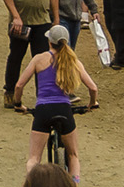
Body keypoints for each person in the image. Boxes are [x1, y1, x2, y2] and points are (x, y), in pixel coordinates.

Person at [14, 26, 97, 178]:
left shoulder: (39, 59)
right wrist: (92, 103)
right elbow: (93, 88)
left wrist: (18, 104)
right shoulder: (73, 61)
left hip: (43, 110)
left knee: (34, 158)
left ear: (49, 41)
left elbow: (19, 85)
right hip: (64, 109)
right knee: (73, 155)